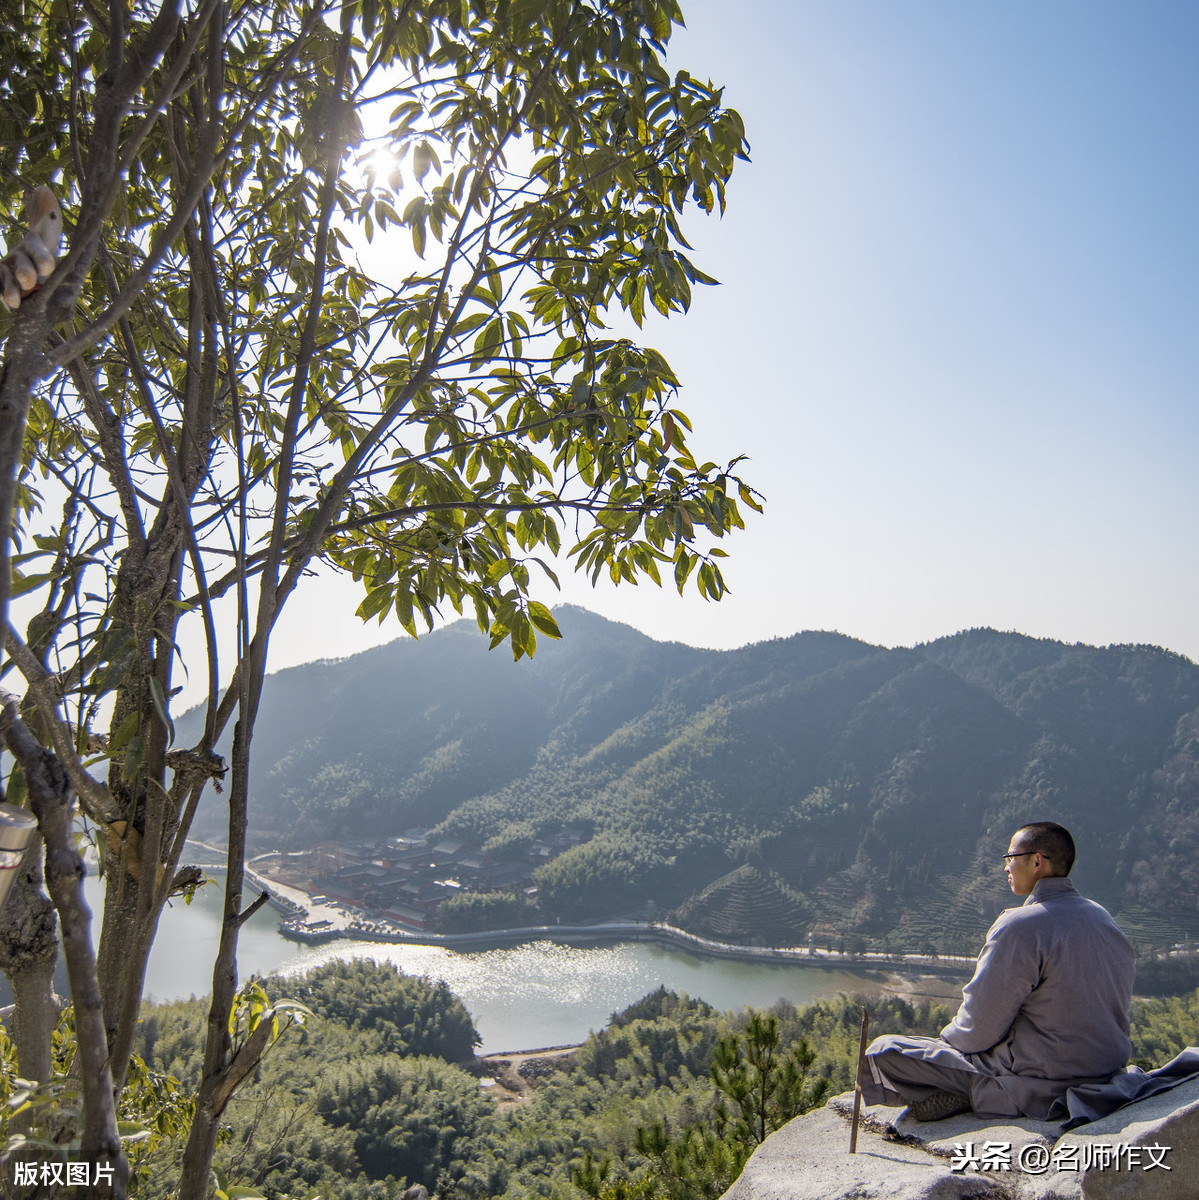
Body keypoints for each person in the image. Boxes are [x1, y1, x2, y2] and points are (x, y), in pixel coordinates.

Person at [861, 821, 1136, 1122]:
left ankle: (973, 1093)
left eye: (1010, 858)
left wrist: (946, 1047)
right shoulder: (1103, 918)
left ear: (1036, 861)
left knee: (884, 1050)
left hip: (1040, 1080)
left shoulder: (1021, 925)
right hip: (1106, 1072)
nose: (1005, 867)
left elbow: (978, 1029)